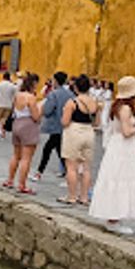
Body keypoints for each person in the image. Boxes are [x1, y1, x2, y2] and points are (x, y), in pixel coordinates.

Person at [89, 76, 135, 235]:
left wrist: (133, 124)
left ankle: (114, 215)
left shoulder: (117, 107)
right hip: (123, 147)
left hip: (117, 145)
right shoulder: (126, 109)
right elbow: (127, 132)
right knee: (121, 177)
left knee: (116, 177)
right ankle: (114, 219)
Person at [59, 74, 99, 205]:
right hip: (89, 132)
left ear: (75, 88)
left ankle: (72, 196)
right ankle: (84, 197)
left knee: (71, 166)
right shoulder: (95, 103)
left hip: (74, 132)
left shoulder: (72, 102)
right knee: (86, 168)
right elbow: (97, 123)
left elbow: (65, 122)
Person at [31, 71, 73, 181]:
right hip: (66, 125)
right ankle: (67, 173)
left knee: (49, 149)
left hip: (55, 125)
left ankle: (40, 172)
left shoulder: (53, 94)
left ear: (55, 81)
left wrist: (43, 111)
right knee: (58, 150)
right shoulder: (70, 94)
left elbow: (48, 110)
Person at [3, 73, 41, 193]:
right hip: (28, 126)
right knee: (26, 158)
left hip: (17, 124)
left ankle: (10, 180)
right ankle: (22, 184)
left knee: (16, 155)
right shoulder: (31, 98)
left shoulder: (17, 95)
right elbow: (36, 117)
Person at [0, 72, 18, 139]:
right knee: (4, 120)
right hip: (8, 105)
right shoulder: (12, 86)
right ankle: (2, 133)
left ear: (3, 77)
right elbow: (15, 97)